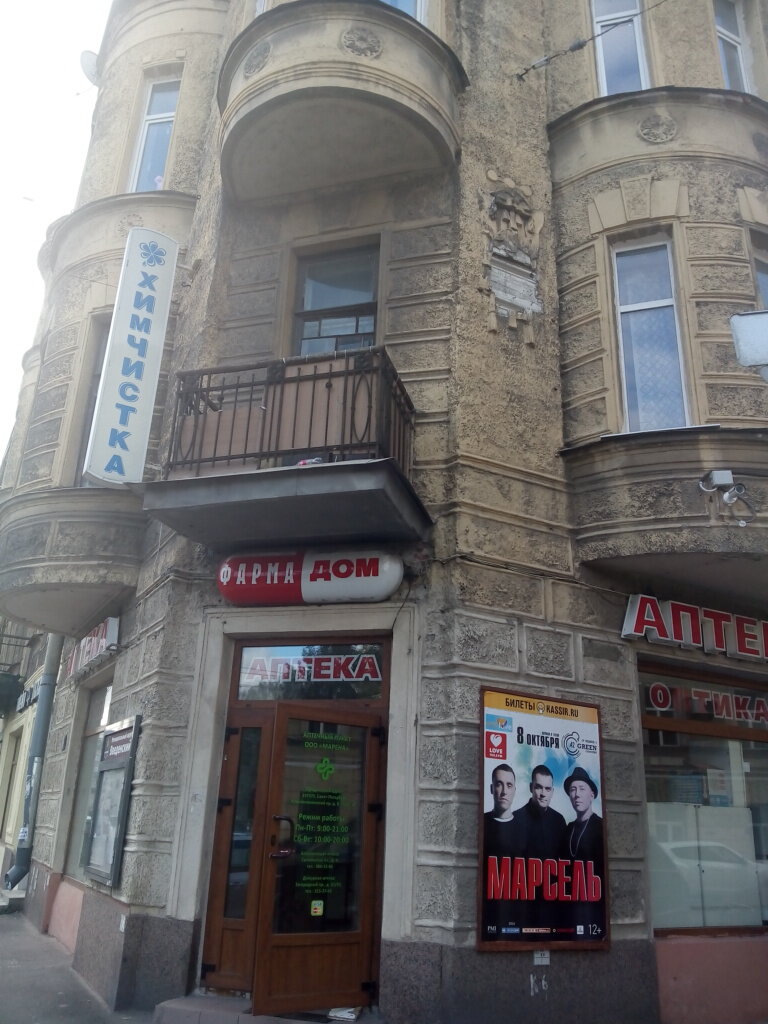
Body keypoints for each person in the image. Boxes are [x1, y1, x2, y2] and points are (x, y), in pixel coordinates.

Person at [481, 764, 526, 940]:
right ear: (491, 789)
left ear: (515, 790)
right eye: (499, 784)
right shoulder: (482, 823)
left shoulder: (524, 828)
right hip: (488, 915)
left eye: (509, 785)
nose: (504, 791)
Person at [518, 764, 566, 860]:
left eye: (547, 789)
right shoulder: (516, 818)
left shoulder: (559, 820)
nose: (543, 794)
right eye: (539, 787)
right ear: (531, 787)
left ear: (552, 792)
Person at [563, 766, 603, 868]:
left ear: (592, 795)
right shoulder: (568, 829)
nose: (577, 794)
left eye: (582, 789)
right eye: (573, 789)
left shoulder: (601, 826)